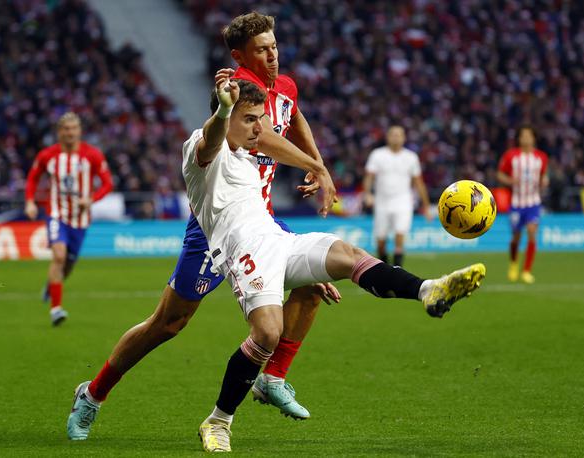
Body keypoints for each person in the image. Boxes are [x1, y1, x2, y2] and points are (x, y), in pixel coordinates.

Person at [65, 12, 335, 440]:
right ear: (239, 56)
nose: (272, 56)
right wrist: (316, 166)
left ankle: (273, 378)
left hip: (260, 219)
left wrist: (315, 156)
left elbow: (294, 114)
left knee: (315, 281)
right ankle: (93, 393)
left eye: (274, 46)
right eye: (261, 49)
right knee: (167, 325)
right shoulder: (238, 87)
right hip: (217, 227)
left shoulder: (283, 86)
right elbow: (261, 136)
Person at [194, 74, 486, 452]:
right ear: (228, 115)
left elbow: (279, 151)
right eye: (250, 119)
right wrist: (223, 109)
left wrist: (314, 172)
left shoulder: (250, 164)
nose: (259, 128)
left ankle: (429, 290)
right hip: (242, 251)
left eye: (260, 119)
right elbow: (211, 138)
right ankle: (219, 421)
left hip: (278, 240)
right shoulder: (201, 151)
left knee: (349, 255)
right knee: (266, 333)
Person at [25, 112, 113, 325]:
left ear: (80, 131)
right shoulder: (48, 155)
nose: (70, 133)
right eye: (65, 129)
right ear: (59, 132)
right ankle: (56, 309)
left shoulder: (92, 155)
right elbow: (33, 177)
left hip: (80, 219)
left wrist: (91, 199)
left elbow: (108, 183)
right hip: (56, 213)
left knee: (68, 265)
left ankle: (51, 285)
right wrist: (29, 201)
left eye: (73, 128)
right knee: (58, 256)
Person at [363, 126, 432, 267]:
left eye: (399, 135)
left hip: (403, 202)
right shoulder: (377, 155)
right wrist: (367, 194)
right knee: (381, 242)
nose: (396, 137)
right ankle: (385, 270)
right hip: (381, 202)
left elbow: (419, 183)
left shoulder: (411, 157)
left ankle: (396, 272)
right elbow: (369, 177)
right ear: (387, 137)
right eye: (393, 135)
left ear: (404, 138)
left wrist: (426, 206)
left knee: (399, 237)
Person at [497, 126, 549, 284]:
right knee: (516, 238)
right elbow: (500, 174)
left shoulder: (541, 157)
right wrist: (510, 181)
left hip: (533, 202)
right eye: (523, 136)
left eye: (529, 135)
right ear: (519, 139)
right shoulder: (511, 156)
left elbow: (543, 176)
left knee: (532, 233)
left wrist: (545, 182)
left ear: (534, 138)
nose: (526, 138)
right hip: (516, 203)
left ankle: (526, 271)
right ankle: (513, 264)